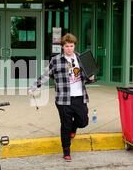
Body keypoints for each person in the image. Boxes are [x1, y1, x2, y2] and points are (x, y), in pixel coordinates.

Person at [29, 33, 95, 162]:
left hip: (79, 97)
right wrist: (34, 86)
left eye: (71, 46)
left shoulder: (81, 58)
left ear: (74, 46)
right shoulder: (56, 60)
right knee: (65, 125)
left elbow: (88, 77)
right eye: (67, 46)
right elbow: (46, 75)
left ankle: (74, 128)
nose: (69, 48)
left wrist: (91, 78)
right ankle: (66, 151)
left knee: (83, 121)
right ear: (62, 47)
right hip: (63, 99)